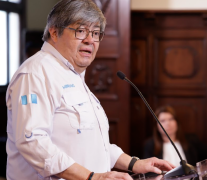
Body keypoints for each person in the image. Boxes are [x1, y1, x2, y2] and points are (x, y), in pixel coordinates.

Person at [5, 0, 174, 179]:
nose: (90, 40)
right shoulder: (35, 73)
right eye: (80, 31)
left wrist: (135, 163)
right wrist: (92, 177)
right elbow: (33, 142)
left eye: (95, 33)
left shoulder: (73, 75)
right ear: (54, 32)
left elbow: (94, 145)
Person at [143, 106, 207, 166]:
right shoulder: (150, 145)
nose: (168, 123)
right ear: (156, 126)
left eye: (171, 119)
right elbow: (147, 173)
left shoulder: (191, 140)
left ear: (177, 122)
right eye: (162, 121)